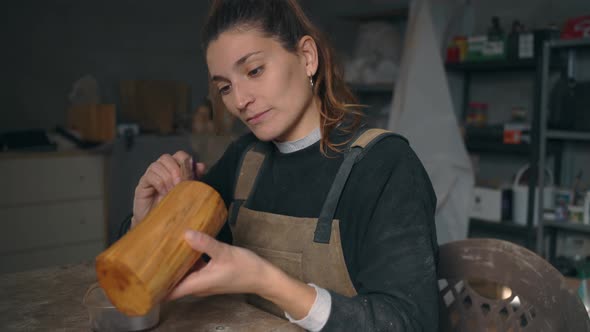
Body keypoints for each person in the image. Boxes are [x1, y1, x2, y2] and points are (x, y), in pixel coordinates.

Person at [126, 0, 439, 330]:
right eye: (225, 87)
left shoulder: (385, 166)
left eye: (254, 71)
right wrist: (148, 223)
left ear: (307, 57)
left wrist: (267, 281)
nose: (240, 101)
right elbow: (172, 269)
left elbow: (410, 322)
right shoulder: (245, 159)